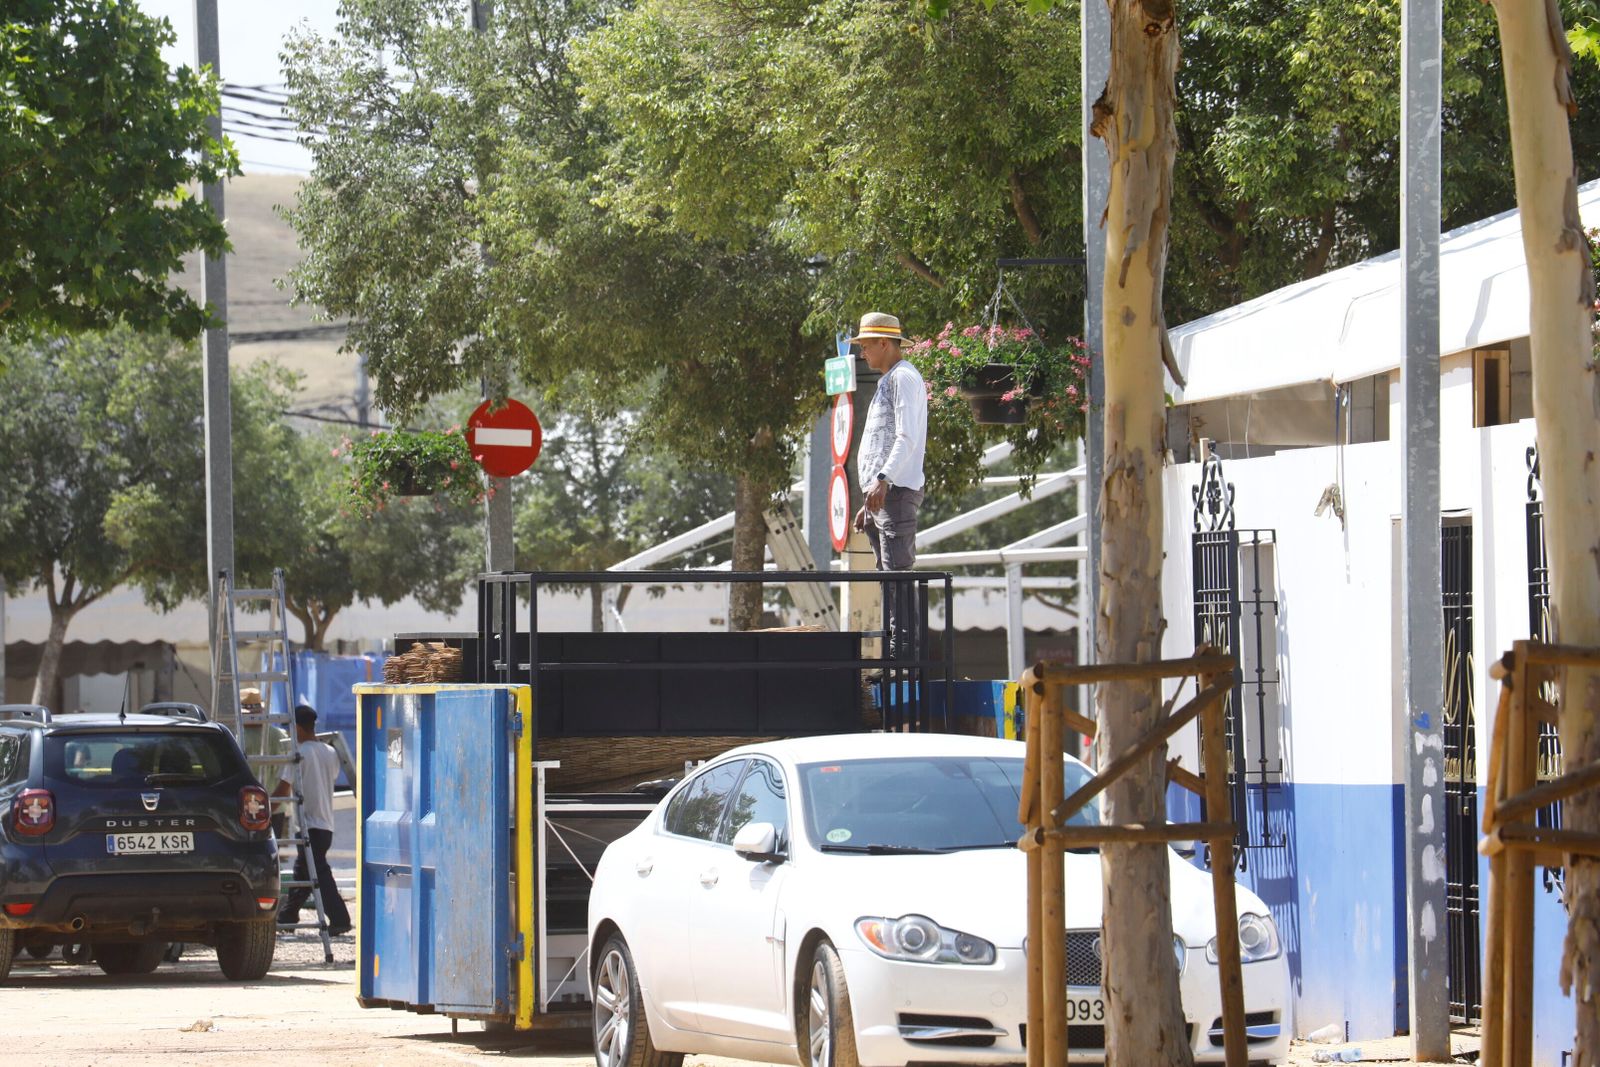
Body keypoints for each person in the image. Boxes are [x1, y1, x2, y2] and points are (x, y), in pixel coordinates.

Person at [849, 311, 927, 661]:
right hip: (883, 494)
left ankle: (903, 657)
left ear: (884, 343)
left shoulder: (903, 378)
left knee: (897, 575)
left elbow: (906, 436)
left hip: (894, 491)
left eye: (866, 345)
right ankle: (898, 654)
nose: (862, 352)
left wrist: (882, 480)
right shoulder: (891, 379)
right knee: (889, 578)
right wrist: (869, 499)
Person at [276, 704, 353, 937]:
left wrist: (264, 810)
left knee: (318, 872)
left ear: (298, 728)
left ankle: (340, 919)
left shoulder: (297, 755)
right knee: (304, 872)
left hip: (308, 824)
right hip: (325, 824)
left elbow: (283, 789)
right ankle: (288, 916)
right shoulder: (330, 752)